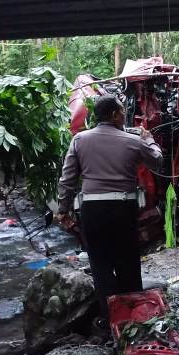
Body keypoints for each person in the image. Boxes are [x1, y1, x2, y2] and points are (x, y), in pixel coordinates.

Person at [56, 95, 163, 327]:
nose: (125, 115)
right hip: (123, 208)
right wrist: (150, 139)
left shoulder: (79, 140)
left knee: (100, 264)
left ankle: (110, 320)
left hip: (92, 209)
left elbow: (67, 180)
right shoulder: (133, 141)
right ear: (114, 115)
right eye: (123, 111)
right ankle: (133, 317)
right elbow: (157, 162)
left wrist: (62, 210)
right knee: (128, 261)